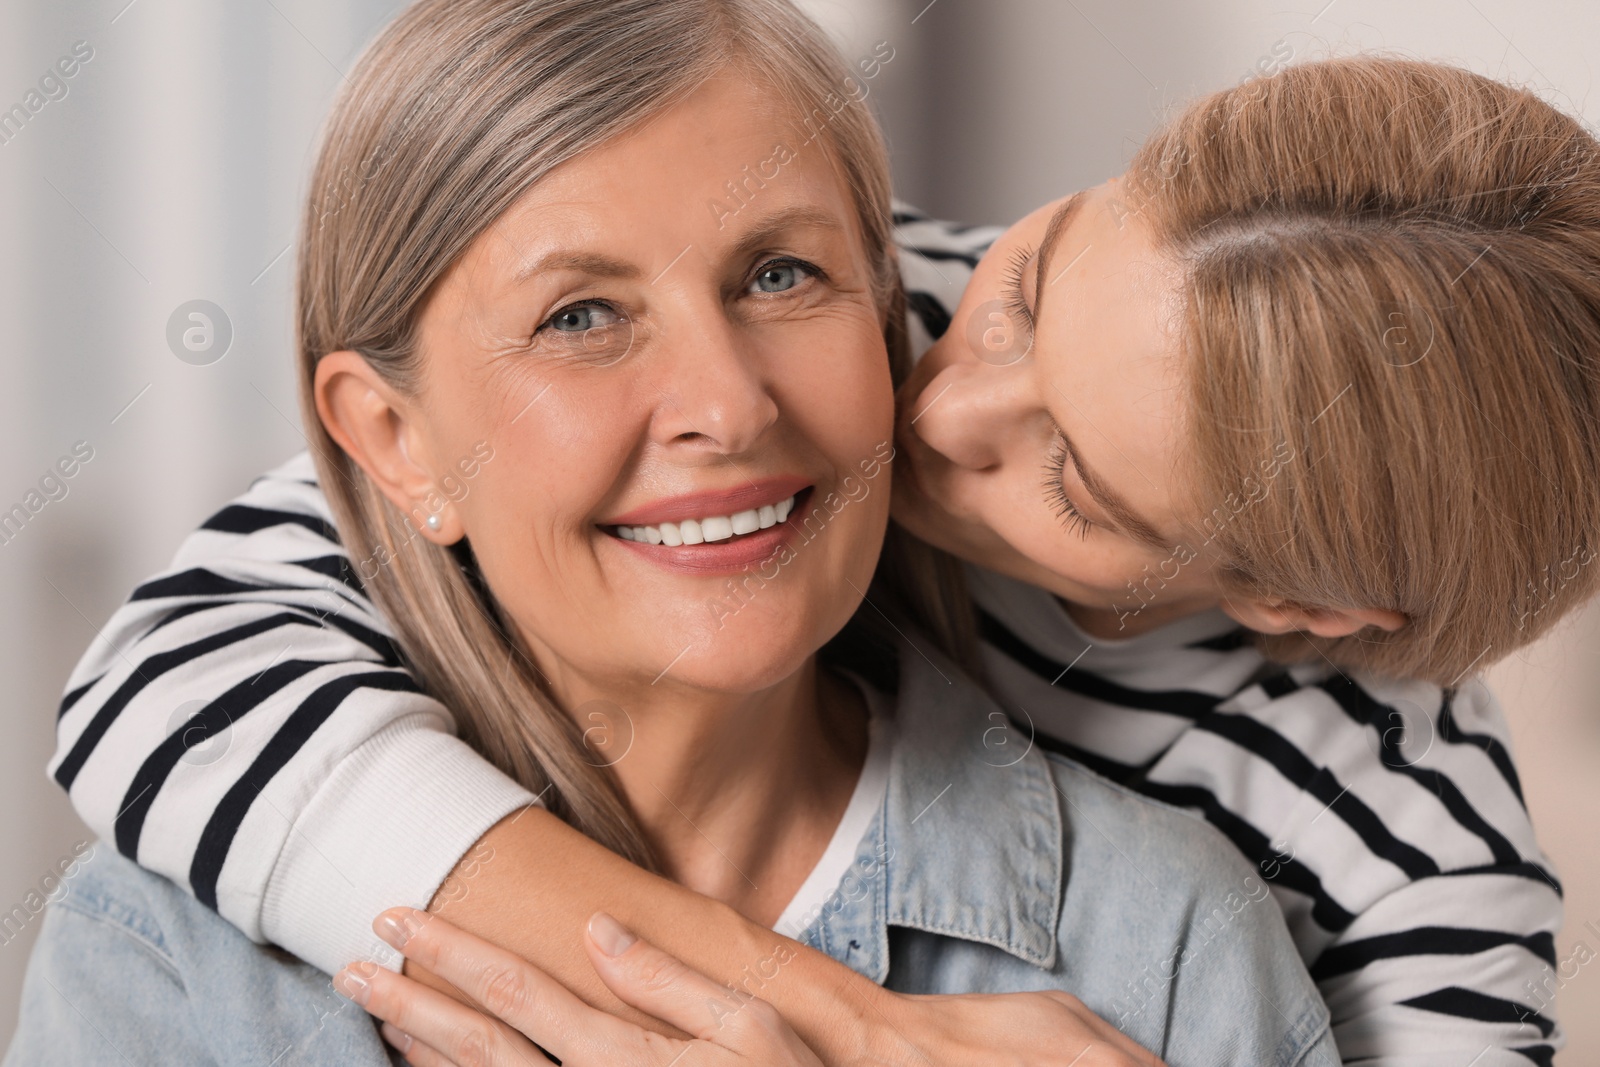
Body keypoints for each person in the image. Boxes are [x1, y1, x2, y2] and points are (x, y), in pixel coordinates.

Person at [38, 3, 1599, 1064]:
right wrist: (855, 1033)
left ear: (1303, 605)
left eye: (1075, 478)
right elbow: (162, 680)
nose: (929, 411)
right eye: (1027, 289)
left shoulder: (1371, 887)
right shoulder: (875, 299)